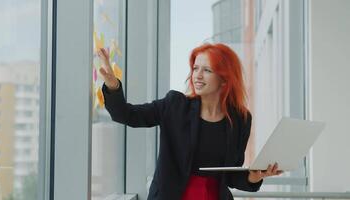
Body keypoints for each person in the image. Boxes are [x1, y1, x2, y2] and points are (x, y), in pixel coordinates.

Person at [97, 43, 282, 200]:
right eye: (195, 68)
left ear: (225, 80)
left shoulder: (241, 119)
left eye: (207, 70)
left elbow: (231, 174)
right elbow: (126, 114)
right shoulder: (175, 106)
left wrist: (255, 176)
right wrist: (113, 85)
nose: (197, 75)